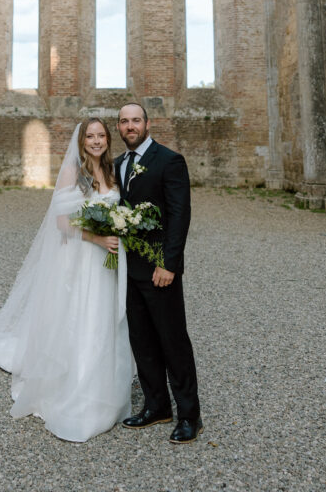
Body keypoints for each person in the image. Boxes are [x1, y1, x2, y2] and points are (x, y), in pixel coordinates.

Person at [0, 118, 133, 442]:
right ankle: (75, 387)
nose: (96, 141)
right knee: (79, 317)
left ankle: (104, 384)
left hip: (106, 263)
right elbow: (62, 224)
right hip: (81, 258)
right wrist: (98, 239)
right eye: (90, 136)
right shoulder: (73, 173)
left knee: (102, 319)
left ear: (109, 140)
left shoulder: (113, 171)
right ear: (81, 142)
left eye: (101, 136)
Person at [115, 102, 203, 444]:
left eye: (136, 120)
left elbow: (180, 216)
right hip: (129, 270)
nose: (130, 126)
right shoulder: (118, 164)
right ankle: (157, 406)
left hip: (158, 269)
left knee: (173, 341)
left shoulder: (169, 161)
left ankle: (189, 415)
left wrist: (168, 264)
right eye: (124, 122)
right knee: (142, 341)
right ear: (119, 128)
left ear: (147, 123)